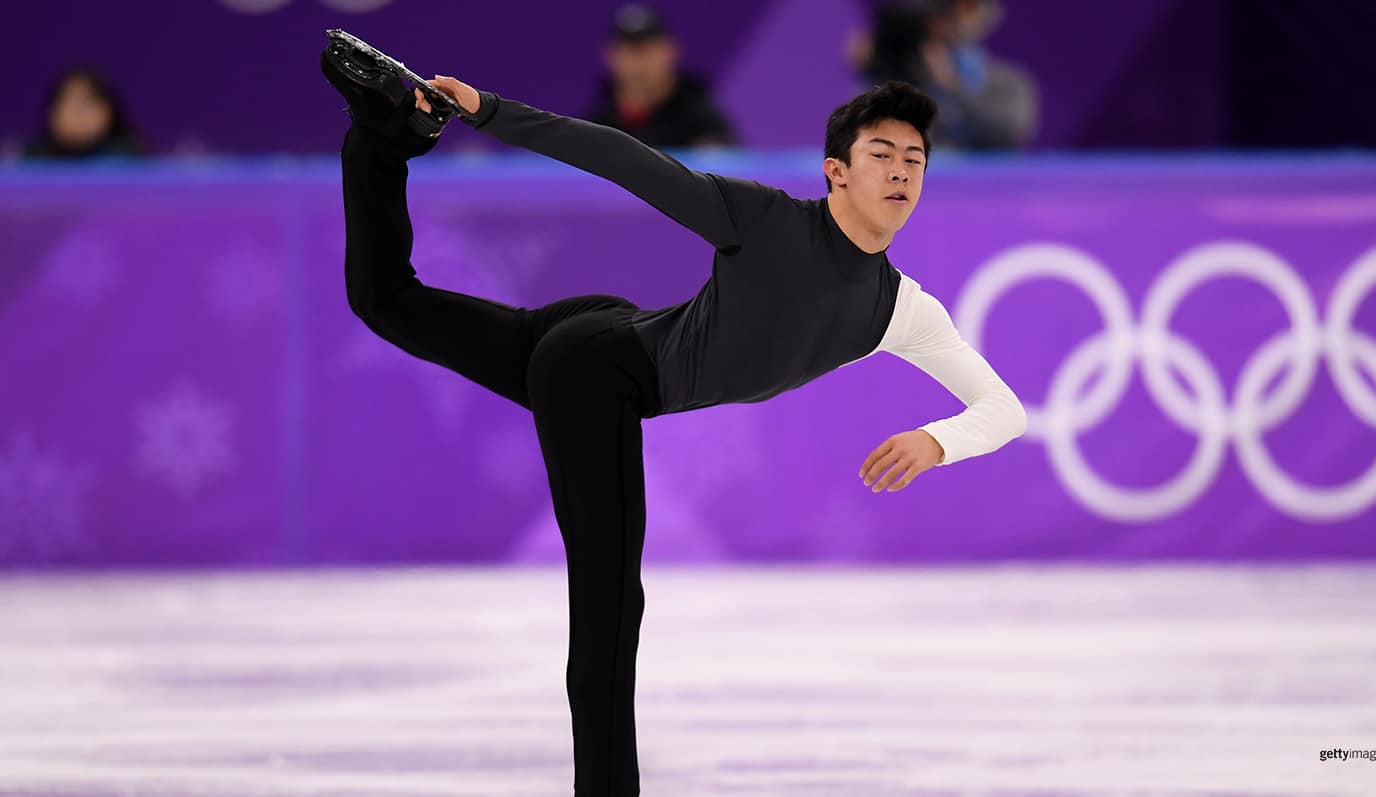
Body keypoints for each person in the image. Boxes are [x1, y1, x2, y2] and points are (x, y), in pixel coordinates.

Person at [321, 39, 1025, 796]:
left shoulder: (905, 312)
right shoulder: (764, 220)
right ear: (837, 171)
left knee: (385, 300)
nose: (899, 172)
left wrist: (936, 440)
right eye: (881, 153)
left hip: (601, 335)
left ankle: (380, 134)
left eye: (914, 160)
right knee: (610, 600)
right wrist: (489, 111)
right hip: (600, 375)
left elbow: (1003, 409)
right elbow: (624, 159)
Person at [856, 0, 1037, 150]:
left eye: (964, 10)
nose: (943, 25)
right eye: (937, 13)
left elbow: (1008, 133)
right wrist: (873, 70)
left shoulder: (1007, 85)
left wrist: (953, 87)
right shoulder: (906, 82)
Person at [582, 3, 736, 148]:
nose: (639, 64)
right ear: (610, 56)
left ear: (671, 51)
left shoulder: (704, 124)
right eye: (629, 52)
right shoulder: (598, 125)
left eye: (648, 51)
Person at [23, 66, 150, 160]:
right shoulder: (29, 161)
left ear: (108, 112)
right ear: (52, 113)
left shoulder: (131, 160)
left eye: (87, 103)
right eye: (68, 103)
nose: (77, 113)